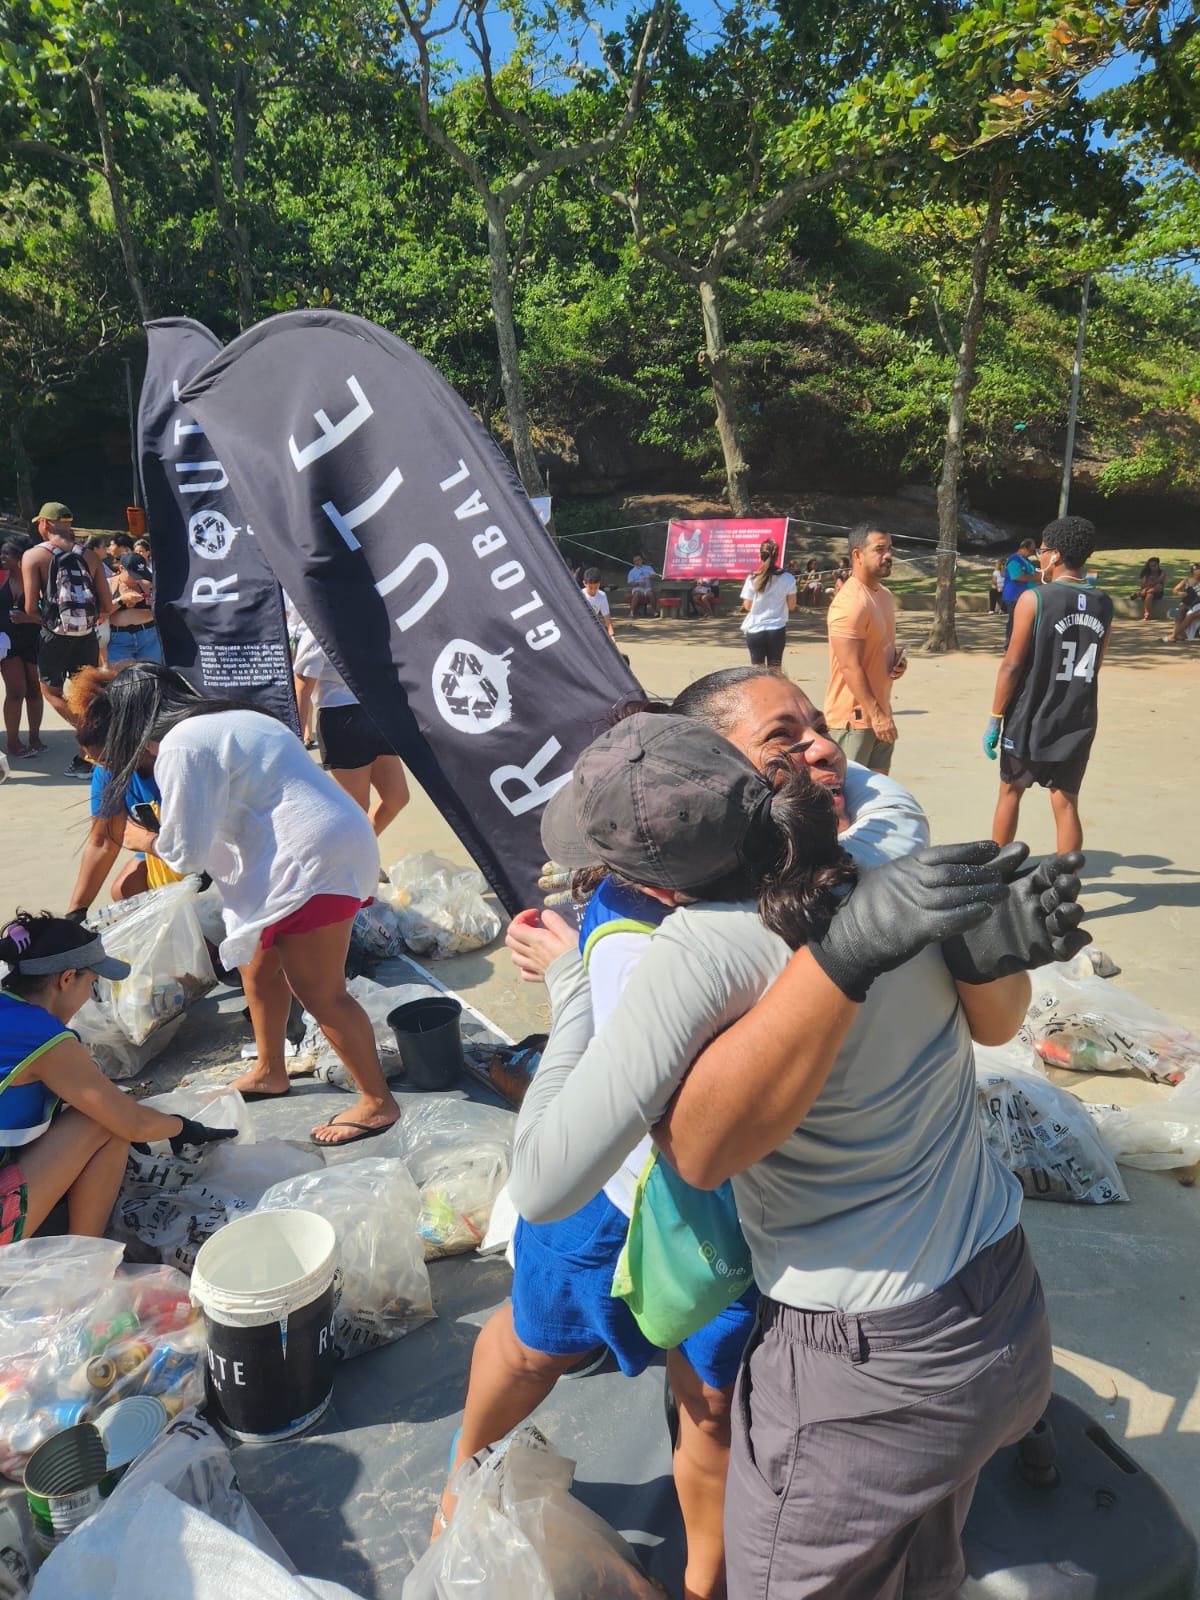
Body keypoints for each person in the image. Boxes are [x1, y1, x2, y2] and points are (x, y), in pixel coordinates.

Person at [507, 711, 1085, 1600]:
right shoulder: (895, 852)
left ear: (649, 888)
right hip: (1002, 1303)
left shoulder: (699, 949)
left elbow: (543, 1183)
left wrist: (570, 986)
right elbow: (880, 793)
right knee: (922, 1561)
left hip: (870, 1375)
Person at [438, 671, 930, 1596]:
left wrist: (567, 986)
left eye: (817, 729)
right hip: (615, 1198)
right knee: (537, 1345)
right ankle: (462, 1477)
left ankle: (704, 1581)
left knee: (708, 1410)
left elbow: (888, 807)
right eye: (785, 738)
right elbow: (575, 1157)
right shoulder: (655, 939)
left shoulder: (800, 879)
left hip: (721, 1226)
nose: (822, 750)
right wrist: (575, 982)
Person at [81, 664, 401, 1147]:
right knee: (257, 965)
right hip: (317, 847)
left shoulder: (180, 747)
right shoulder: (231, 718)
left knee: (320, 993)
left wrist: (142, 839)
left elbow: (186, 855)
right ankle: (270, 1070)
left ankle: (377, 1102)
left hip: (309, 863)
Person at [0, 910, 234, 1242]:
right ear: (67, 978)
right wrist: (184, 1128)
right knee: (104, 1122)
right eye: (92, 985)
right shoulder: (41, 1036)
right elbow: (133, 1124)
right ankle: (85, 1259)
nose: (89, 997)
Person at [985, 516, 1113, 856]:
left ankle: (996, 872)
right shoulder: (1104, 603)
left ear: (1055, 555)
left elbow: (1012, 666)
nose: (1039, 557)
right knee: (1066, 801)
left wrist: (995, 717)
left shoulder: (1035, 599)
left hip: (1031, 715)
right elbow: (1096, 664)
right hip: (1078, 716)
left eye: (1042, 551)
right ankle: (1067, 880)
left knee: (1010, 791)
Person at [21, 501, 113, 776]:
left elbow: (29, 609)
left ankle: (93, 739)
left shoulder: (34, 556)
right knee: (88, 693)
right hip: (87, 636)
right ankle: (87, 756)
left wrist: (53, 622)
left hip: (55, 637)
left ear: (45, 523)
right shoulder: (90, 556)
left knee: (51, 692)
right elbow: (107, 605)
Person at [292, 622, 409, 836]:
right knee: (356, 809)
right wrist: (295, 743)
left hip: (378, 715)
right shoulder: (317, 630)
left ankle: (361, 850)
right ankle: (347, 854)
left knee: (397, 797)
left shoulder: (367, 621)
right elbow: (301, 691)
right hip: (342, 720)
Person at [824, 522, 906, 774]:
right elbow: (850, 667)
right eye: (880, 549)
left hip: (880, 714)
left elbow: (876, 649)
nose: (888, 555)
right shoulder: (850, 603)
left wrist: (896, 662)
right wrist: (877, 715)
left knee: (878, 793)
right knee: (846, 794)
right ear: (857, 555)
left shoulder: (884, 595)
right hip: (853, 720)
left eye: (890, 549)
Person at [0, 536, 46, 759]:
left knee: (35, 690)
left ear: (21, 559)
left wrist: (29, 618)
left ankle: (35, 738)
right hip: (6, 642)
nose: (2, 557)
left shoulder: (39, 581)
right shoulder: (1, 578)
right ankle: (13, 742)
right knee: (16, 691)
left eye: (6, 554)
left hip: (34, 640)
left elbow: (52, 616)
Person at [740, 539, 797, 668]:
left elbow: (747, 606)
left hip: (755, 629)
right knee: (775, 671)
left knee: (757, 672)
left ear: (759, 555)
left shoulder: (752, 578)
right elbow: (792, 606)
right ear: (777, 556)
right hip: (777, 629)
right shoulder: (788, 578)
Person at [107, 539, 162, 667]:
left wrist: (153, 603)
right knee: (120, 676)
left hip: (148, 636)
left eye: (140, 574)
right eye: (133, 575)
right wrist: (121, 600)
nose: (137, 579)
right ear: (121, 568)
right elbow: (101, 613)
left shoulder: (148, 583)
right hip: (119, 639)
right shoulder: (109, 584)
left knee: (149, 675)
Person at [1001, 538, 1039, 644]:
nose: (1032, 553)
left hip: (1024, 596)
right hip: (1014, 596)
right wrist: (1036, 577)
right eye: (1031, 551)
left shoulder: (1026, 561)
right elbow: (1017, 576)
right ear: (1024, 549)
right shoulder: (1014, 560)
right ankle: (1009, 645)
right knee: (1014, 621)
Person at [1164, 564, 1200, 644]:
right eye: (1196, 570)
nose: (1198, 572)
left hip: (1197, 603)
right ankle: (1177, 633)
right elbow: (1175, 590)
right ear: (1193, 571)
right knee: (1181, 610)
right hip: (1187, 602)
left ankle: (1177, 634)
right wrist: (1179, 593)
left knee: (1190, 614)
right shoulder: (1186, 580)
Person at [581, 568, 616, 643]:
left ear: (599, 584)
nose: (593, 590)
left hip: (593, 627)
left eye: (596, 587)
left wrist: (612, 635)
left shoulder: (602, 595)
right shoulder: (580, 595)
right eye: (590, 588)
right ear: (584, 583)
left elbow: (607, 618)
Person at [1130, 556, 1164, 621]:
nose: (1154, 567)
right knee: (1149, 595)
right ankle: (1146, 615)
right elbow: (1143, 585)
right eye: (1152, 566)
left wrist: (1146, 589)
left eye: (1155, 565)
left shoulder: (1162, 572)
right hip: (1146, 592)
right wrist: (1146, 588)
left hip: (1157, 592)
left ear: (1158, 565)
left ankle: (1138, 594)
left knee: (1158, 586)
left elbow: (1158, 581)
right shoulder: (1145, 573)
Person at [627, 553, 659, 617]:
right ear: (633, 562)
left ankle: (654, 611)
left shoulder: (648, 568)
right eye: (635, 561)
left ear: (641, 560)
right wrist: (638, 583)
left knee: (651, 593)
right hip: (637, 588)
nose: (637, 562)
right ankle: (632, 612)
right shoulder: (632, 571)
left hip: (648, 588)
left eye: (639, 560)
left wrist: (649, 577)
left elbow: (656, 577)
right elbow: (630, 583)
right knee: (637, 593)